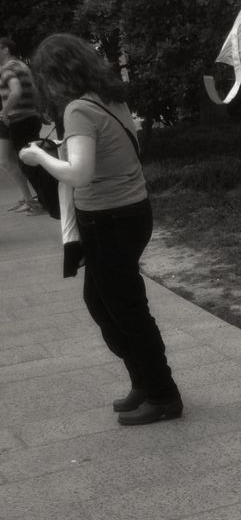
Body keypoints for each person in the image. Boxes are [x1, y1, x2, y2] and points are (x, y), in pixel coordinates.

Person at [19, 33, 183, 426]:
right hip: (129, 213)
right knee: (104, 303)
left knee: (126, 311)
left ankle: (163, 395)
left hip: (110, 219)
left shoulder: (78, 109)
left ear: (56, 74)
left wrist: (38, 155)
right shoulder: (108, 98)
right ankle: (144, 382)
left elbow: (79, 173)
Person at [0, 37, 44, 213]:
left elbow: (16, 91)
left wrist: (5, 111)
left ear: (6, 50)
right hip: (29, 116)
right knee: (19, 160)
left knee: (20, 161)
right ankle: (30, 199)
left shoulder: (7, 69)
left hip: (15, 118)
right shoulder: (22, 66)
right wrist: (38, 110)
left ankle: (35, 201)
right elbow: (33, 90)